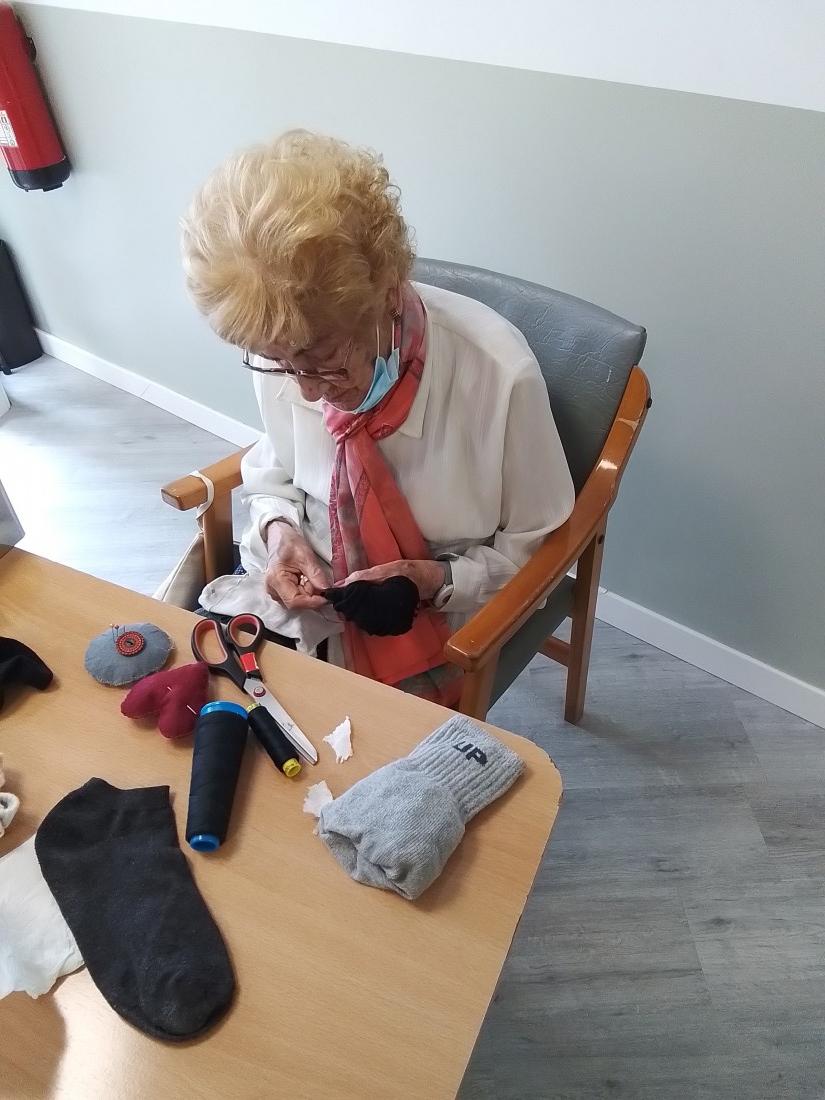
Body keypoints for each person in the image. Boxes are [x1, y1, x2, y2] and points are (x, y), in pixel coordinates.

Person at [181, 130, 574, 705]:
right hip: (312, 604)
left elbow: (538, 554)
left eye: (324, 360)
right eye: (278, 364)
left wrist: (432, 581)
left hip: (446, 613)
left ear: (388, 295)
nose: (307, 390)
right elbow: (275, 470)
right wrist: (280, 532)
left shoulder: (499, 377)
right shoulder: (286, 343)